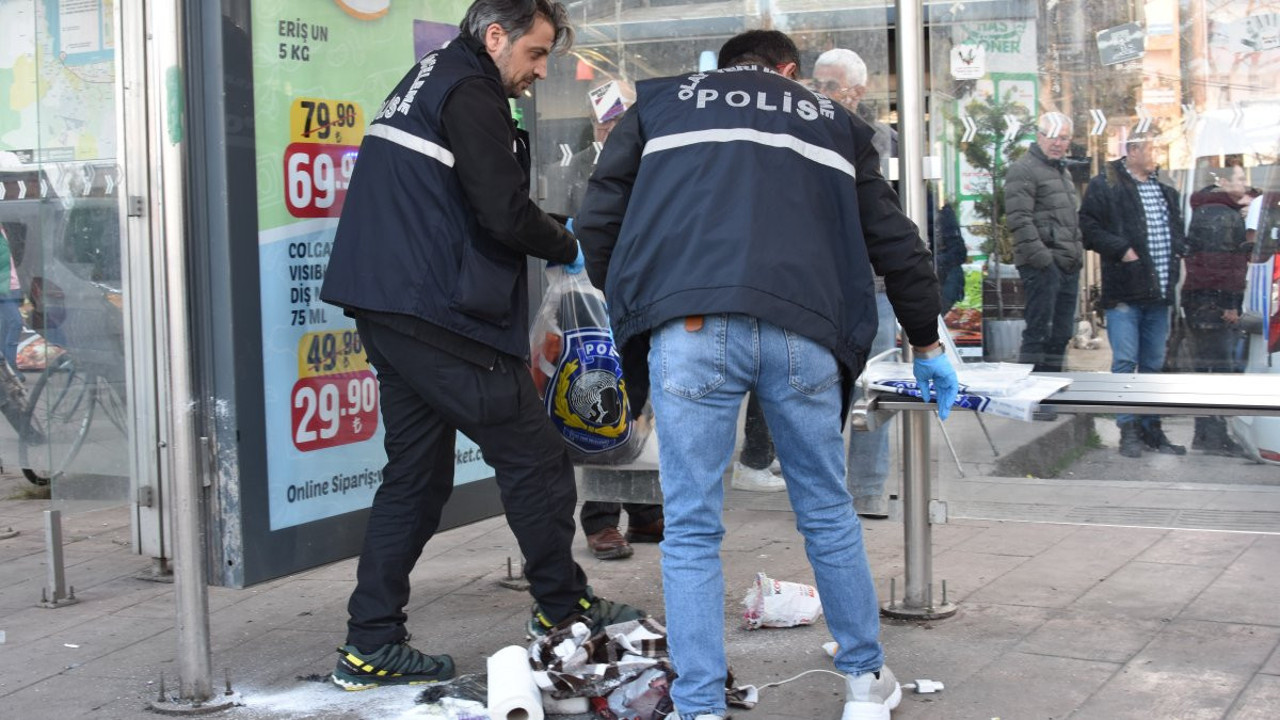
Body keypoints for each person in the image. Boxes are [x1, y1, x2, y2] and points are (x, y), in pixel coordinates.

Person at [576, 29, 958, 720]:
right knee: (826, 508)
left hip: (687, 327)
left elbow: (599, 218)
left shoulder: (661, 105)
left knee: (692, 527)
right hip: (803, 328)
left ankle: (699, 705)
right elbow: (895, 240)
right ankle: (865, 686)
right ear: (787, 71)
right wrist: (928, 340)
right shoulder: (838, 124)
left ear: (720, 70)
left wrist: (639, 302)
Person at [318, 0, 642, 691]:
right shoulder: (470, 88)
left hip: (392, 304)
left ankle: (370, 641)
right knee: (535, 456)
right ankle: (563, 609)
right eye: (534, 53)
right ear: (496, 37)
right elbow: (500, 209)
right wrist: (566, 244)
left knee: (415, 477)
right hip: (437, 313)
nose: (539, 69)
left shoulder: (435, 77)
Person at [564, 79, 665, 560]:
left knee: (644, 399)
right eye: (606, 118)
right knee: (603, 401)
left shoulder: (652, 161)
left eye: (621, 117)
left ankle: (644, 509)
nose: (613, 125)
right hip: (589, 297)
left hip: (641, 293)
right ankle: (601, 519)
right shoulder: (572, 165)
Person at [1079, 131, 1187, 458]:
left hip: (1160, 292)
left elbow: (1176, 228)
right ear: (1134, 151)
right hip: (1124, 291)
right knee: (1125, 362)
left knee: (1153, 362)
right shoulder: (1107, 184)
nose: (1158, 155)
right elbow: (1088, 227)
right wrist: (1121, 249)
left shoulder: (1163, 186)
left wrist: (1180, 249)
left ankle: (1151, 428)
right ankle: (1127, 429)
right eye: (1154, 148)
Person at [1006, 112, 1084, 379]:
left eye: (1063, 138)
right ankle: (1030, 396)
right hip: (1042, 266)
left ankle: (1051, 393)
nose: (1058, 143)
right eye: (1052, 136)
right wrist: (1044, 261)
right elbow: (1019, 220)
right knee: (1039, 331)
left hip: (1067, 264)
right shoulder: (1024, 169)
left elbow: (1068, 220)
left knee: (1061, 333)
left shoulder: (1063, 172)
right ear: (1039, 136)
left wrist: (1075, 255)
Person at [1182, 163, 1251, 456]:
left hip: (1200, 300)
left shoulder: (1210, 208)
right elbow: (1222, 263)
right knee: (1219, 370)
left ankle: (1205, 434)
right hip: (1213, 303)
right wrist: (1228, 304)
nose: (1245, 183)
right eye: (1240, 178)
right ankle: (1215, 437)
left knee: (1205, 368)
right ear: (1223, 182)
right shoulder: (1222, 215)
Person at [0, 225, 23, 372]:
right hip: (4, 289)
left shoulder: (5, 229)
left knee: (5, 328)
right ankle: (10, 369)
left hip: (13, 286)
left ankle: (5, 372)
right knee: (16, 322)